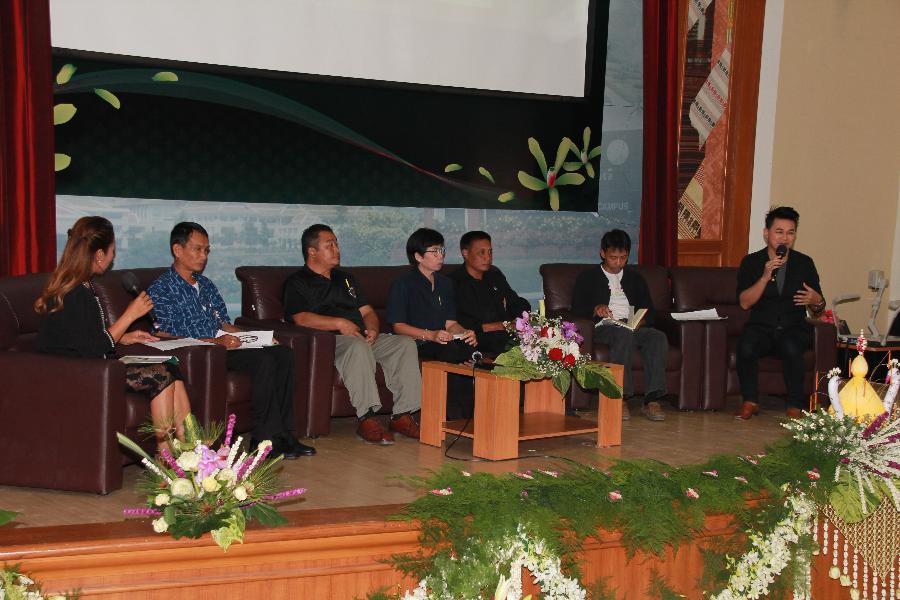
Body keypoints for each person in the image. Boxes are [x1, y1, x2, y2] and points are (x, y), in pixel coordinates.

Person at [147, 222, 315, 458]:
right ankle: (263, 439)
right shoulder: (162, 289)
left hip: (225, 344)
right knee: (264, 361)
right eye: (197, 249)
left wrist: (255, 337)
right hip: (202, 352)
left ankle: (284, 434)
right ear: (177, 249)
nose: (204, 256)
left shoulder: (206, 285)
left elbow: (223, 323)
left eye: (207, 250)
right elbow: (165, 333)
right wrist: (217, 342)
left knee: (283, 353)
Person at [35, 216, 191, 452]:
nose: (112, 257)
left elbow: (84, 336)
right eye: (112, 251)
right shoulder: (74, 292)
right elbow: (93, 348)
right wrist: (130, 315)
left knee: (171, 368)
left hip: (89, 365)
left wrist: (125, 336)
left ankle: (190, 452)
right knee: (161, 375)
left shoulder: (81, 285)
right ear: (99, 254)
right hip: (74, 374)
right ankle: (166, 457)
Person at [283, 224, 422, 446]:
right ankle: (367, 417)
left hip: (360, 336)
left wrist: (373, 329)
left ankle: (402, 415)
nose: (337, 249)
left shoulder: (346, 278)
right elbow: (300, 318)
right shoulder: (297, 282)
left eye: (336, 244)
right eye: (329, 245)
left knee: (404, 344)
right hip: (329, 341)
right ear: (312, 251)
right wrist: (338, 323)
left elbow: (367, 312)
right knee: (357, 346)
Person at [734, 206, 825, 420]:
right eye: (779, 232)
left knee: (791, 346)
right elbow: (745, 303)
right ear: (766, 233)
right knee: (746, 345)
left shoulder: (804, 263)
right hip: (761, 326)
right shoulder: (751, 262)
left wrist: (817, 301)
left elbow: (818, 307)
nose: (785, 238)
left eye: (790, 232)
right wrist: (765, 276)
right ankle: (750, 401)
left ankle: (795, 405)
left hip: (793, 327)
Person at [571, 229, 668, 421]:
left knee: (657, 337)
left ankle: (652, 399)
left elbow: (649, 310)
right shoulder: (587, 277)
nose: (618, 263)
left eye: (623, 258)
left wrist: (641, 321)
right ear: (602, 253)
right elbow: (577, 309)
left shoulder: (635, 279)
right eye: (613, 258)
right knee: (622, 334)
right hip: (603, 328)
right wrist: (596, 309)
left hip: (631, 327)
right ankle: (620, 397)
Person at [387, 228, 478, 363]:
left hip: (441, 341)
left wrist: (465, 333)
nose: (440, 256)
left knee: (472, 348)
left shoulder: (446, 283)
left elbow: (450, 324)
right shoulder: (402, 284)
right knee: (450, 351)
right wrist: (431, 335)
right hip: (416, 342)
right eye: (435, 251)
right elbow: (398, 326)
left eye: (442, 250)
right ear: (419, 257)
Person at [449, 230, 531, 356]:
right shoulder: (454, 282)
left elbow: (516, 302)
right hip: (478, 340)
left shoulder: (494, 276)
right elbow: (458, 322)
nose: (487, 258)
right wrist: (498, 326)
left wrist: (519, 320)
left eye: (490, 252)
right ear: (465, 253)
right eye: (481, 252)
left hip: (506, 335)